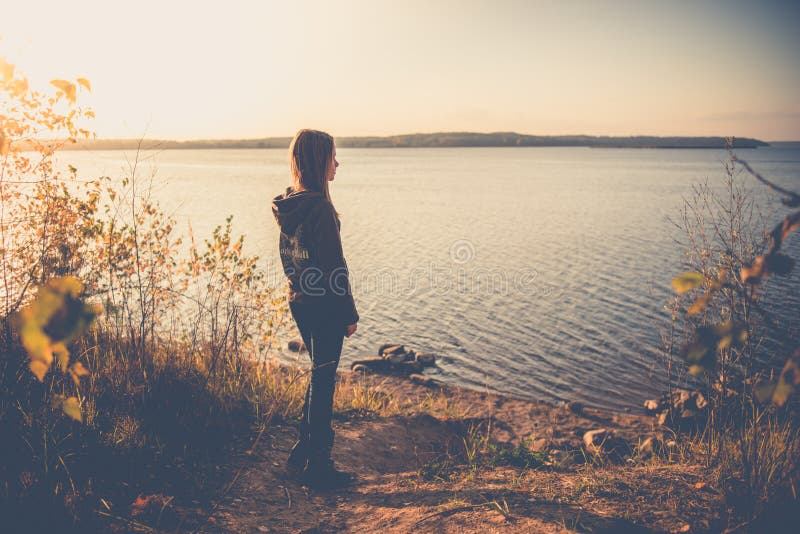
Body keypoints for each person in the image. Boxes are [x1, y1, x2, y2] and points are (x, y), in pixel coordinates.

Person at [271, 129, 359, 489]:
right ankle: (318, 466)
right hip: (324, 305)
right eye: (333, 156)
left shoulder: (291, 203)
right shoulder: (319, 207)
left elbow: (286, 256)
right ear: (318, 160)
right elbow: (335, 266)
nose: (337, 163)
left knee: (318, 374)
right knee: (324, 380)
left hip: (301, 302)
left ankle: (303, 451)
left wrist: (296, 286)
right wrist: (349, 314)